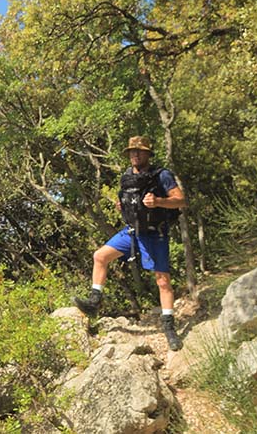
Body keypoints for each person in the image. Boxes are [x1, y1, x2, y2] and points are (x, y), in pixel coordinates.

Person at [74, 135, 186, 351]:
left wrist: (159, 201)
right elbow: (131, 200)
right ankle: (94, 302)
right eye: (131, 152)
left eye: (139, 151)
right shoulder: (127, 177)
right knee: (100, 256)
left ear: (147, 154)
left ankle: (169, 327)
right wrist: (123, 206)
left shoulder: (161, 176)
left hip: (155, 234)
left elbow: (181, 200)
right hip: (132, 232)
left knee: (162, 281)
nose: (134, 154)